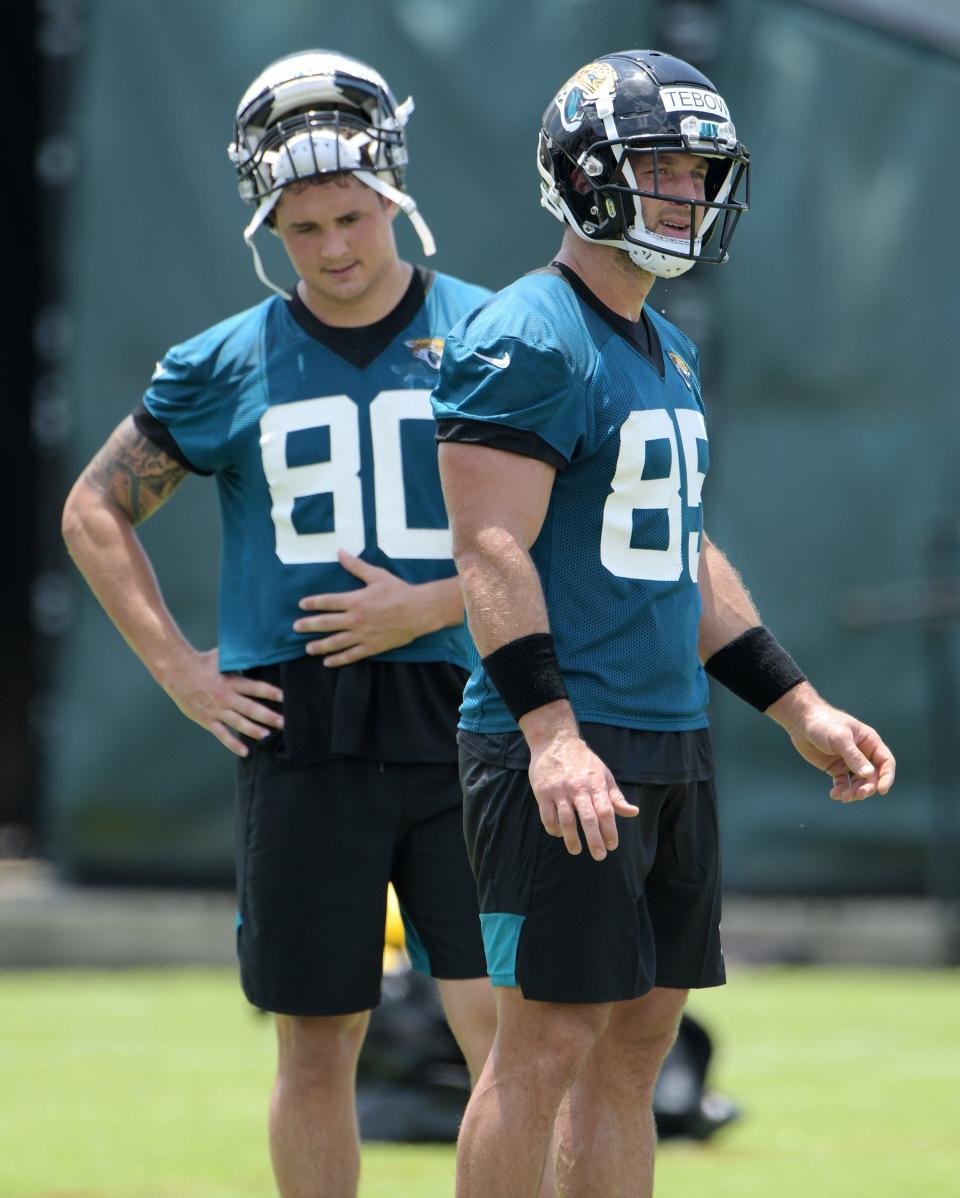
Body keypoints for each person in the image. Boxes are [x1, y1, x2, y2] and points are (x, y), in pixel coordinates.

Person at [431, 49, 897, 1198]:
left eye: (700, 173)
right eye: (667, 171)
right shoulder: (529, 330)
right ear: (588, 177)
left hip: (667, 733)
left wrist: (797, 702)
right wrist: (552, 736)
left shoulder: (665, 346)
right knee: (539, 1045)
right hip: (563, 742)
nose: (691, 195)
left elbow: (679, 555)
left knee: (635, 1052)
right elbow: (488, 542)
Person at [62, 50, 497, 1198]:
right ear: (269, 226)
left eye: (352, 216)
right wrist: (180, 672)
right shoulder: (223, 362)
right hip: (300, 730)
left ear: (394, 195)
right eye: (304, 229)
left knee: (505, 1031)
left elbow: (577, 526)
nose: (336, 248)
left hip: (473, 708)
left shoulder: (498, 333)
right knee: (315, 1041)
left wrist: (435, 600)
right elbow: (94, 509)